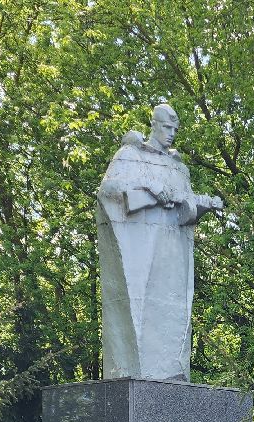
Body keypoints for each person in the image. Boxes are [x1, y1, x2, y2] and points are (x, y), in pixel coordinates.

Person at [96, 103, 225, 381]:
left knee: (173, 314)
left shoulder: (178, 168)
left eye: (175, 129)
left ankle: (170, 372)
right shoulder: (130, 155)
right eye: (167, 127)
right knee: (140, 314)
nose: (171, 134)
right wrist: (150, 190)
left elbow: (185, 211)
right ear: (153, 124)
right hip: (141, 250)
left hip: (173, 253)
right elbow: (108, 190)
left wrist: (203, 206)